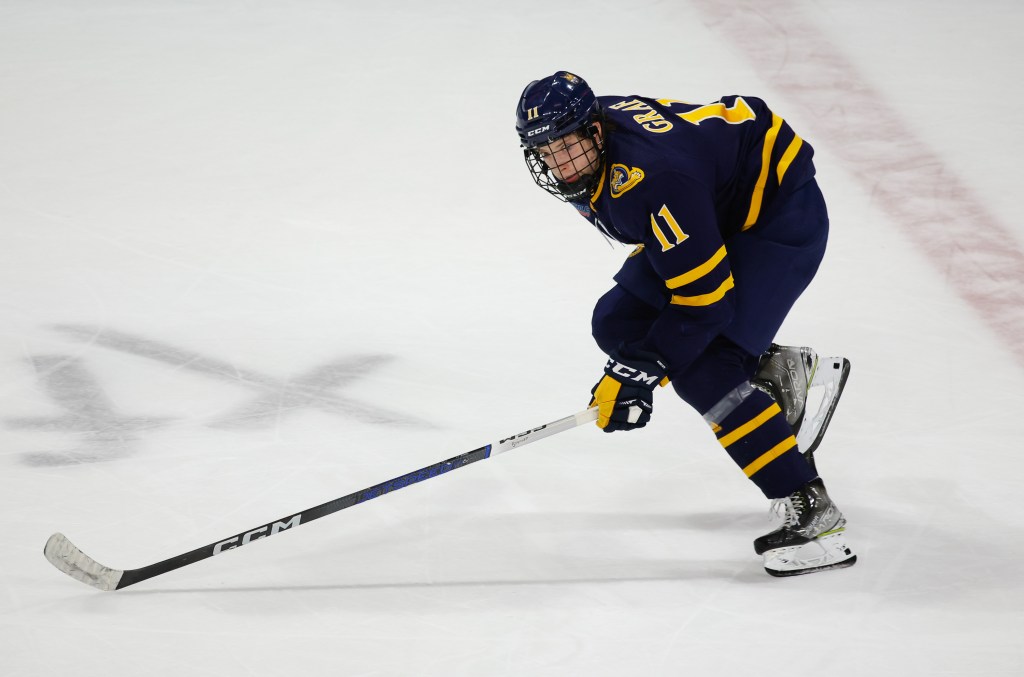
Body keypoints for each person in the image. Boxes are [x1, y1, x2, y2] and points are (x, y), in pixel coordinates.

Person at [515, 71, 856, 576]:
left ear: (595, 131)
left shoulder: (653, 177)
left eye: (567, 146)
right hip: (712, 212)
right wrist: (636, 362)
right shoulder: (605, 152)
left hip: (776, 218)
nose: (559, 163)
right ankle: (779, 376)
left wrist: (638, 374)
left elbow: (705, 303)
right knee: (619, 322)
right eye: (545, 151)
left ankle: (810, 508)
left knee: (707, 368)